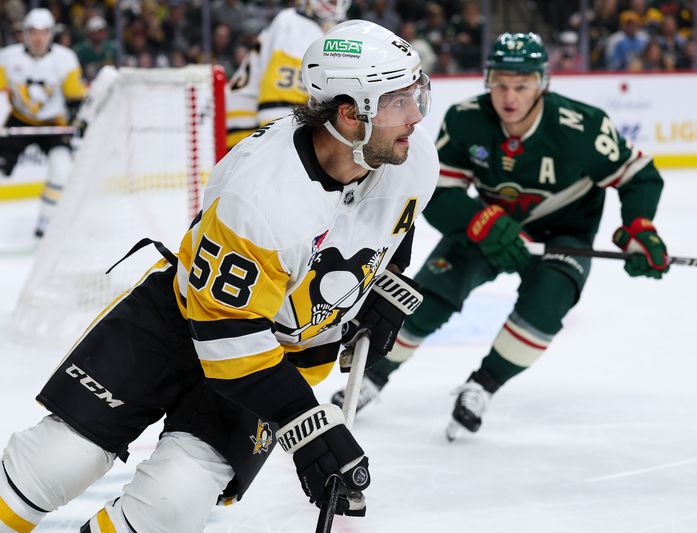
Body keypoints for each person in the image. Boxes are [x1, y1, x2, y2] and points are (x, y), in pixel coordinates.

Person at [0, 20, 436, 532]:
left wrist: (380, 288)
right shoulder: (263, 195)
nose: (416, 116)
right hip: (186, 323)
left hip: (282, 350)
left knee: (173, 502)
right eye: (397, 101)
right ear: (348, 113)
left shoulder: (412, 158)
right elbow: (228, 338)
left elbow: (390, 232)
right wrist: (307, 426)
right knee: (57, 459)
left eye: (417, 93)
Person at [333, 32, 669, 441]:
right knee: (428, 295)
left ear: (542, 84)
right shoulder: (466, 119)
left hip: (564, 235)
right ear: (489, 81)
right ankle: (375, 378)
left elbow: (639, 175)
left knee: (546, 306)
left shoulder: (581, 127)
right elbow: (436, 189)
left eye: (522, 86)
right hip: (490, 226)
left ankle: (483, 386)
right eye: (501, 85)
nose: (509, 97)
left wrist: (640, 227)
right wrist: (480, 220)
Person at [0, 8, 86, 238]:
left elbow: (75, 98)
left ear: (51, 34)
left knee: (62, 169)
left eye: (44, 32)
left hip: (54, 123)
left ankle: (45, 224)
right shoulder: (7, 58)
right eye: (33, 32)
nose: (38, 37)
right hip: (19, 120)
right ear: (24, 34)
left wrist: (80, 119)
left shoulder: (65, 59)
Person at [225, 0, 351, 149]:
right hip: (243, 127)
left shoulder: (313, 26)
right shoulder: (294, 25)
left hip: (252, 124)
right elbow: (277, 111)